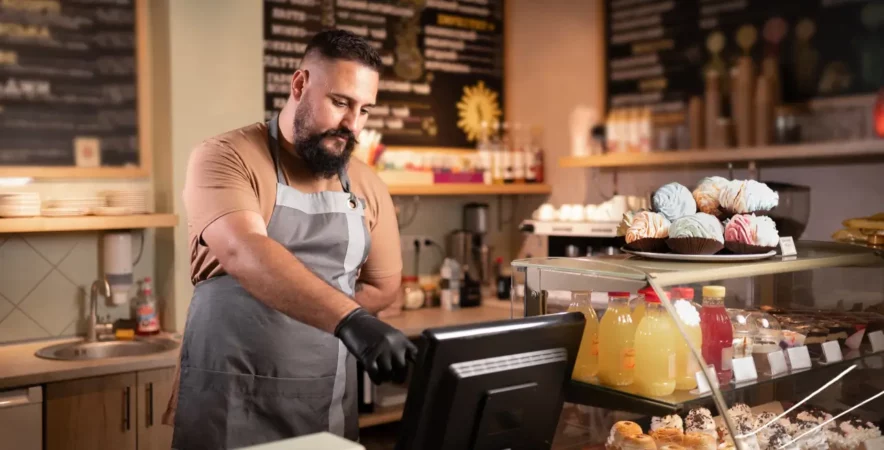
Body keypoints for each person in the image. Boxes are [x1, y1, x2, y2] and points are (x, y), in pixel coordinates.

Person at [163, 30, 416, 449]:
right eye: (340, 103)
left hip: (324, 400)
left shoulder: (368, 186)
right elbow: (244, 250)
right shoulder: (226, 156)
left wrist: (302, 315)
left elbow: (383, 285)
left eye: (364, 110)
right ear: (299, 85)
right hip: (229, 400)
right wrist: (348, 319)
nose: (352, 125)